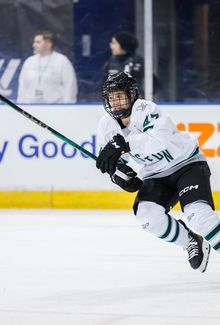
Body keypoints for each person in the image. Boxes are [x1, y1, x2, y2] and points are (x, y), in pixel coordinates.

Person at [96, 71, 220, 273]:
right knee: (147, 217)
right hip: (155, 175)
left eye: (119, 96)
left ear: (132, 95)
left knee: (199, 215)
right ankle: (190, 241)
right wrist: (119, 175)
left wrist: (124, 145)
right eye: (111, 97)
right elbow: (112, 159)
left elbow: (159, 142)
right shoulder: (106, 125)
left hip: (186, 164)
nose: (115, 102)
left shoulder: (146, 109)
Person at [17, 30, 78, 103]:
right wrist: (20, 104)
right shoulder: (29, 62)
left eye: (38, 42)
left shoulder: (62, 61)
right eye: (34, 42)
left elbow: (70, 86)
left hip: (55, 108)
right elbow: (22, 86)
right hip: (31, 107)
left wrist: (68, 107)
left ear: (49, 44)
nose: (34, 45)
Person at [103, 31, 160, 97]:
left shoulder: (138, 62)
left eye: (114, 43)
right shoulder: (111, 62)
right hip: (116, 103)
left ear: (123, 44)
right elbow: (102, 85)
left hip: (135, 102)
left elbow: (155, 85)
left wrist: (143, 97)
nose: (111, 46)